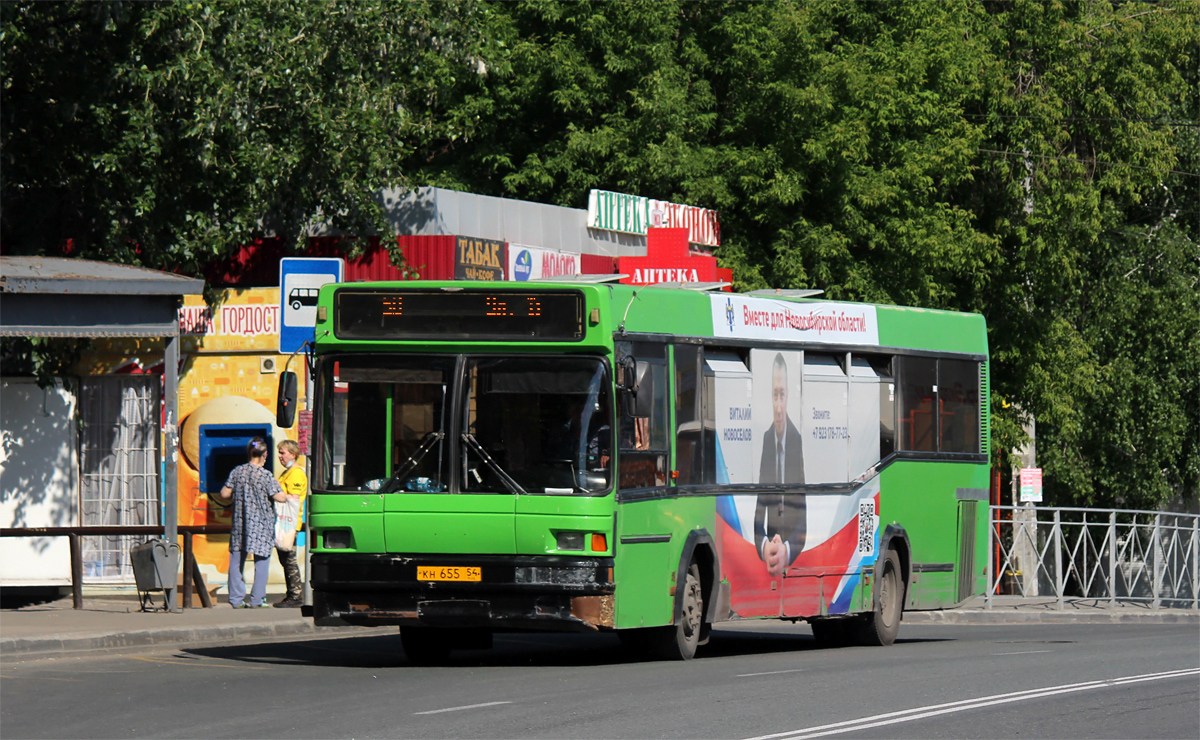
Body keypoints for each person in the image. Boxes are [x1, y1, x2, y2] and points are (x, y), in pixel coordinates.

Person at [217, 437, 286, 608]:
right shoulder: (266, 475)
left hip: (240, 523)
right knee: (261, 562)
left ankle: (236, 599)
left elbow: (224, 493)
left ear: (249, 452)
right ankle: (257, 599)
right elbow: (280, 497)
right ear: (265, 454)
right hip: (262, 524)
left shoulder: (237, 471)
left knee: (236, 561)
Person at [755, 353, 807, 577]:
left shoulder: (798, 441)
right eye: (775, 395)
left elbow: (803, 521)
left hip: (791, 558)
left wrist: (786, 549)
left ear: (788, 397)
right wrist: (765, 545)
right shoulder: (767, 439)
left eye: (782, 395)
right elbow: (759, 511)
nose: (778, 407)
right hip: (771, 549)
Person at [274, 439, 307, 608]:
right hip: (284, 522)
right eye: (279, 452)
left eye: (283, 453)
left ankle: (295, 595)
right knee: (285, 559)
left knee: (289, 559)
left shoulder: (295, 473)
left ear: (293, 455)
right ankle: (292, 594)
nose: (280, 456)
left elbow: (293, 498)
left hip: (289, 523)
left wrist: (275, 493)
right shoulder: (287, 472)